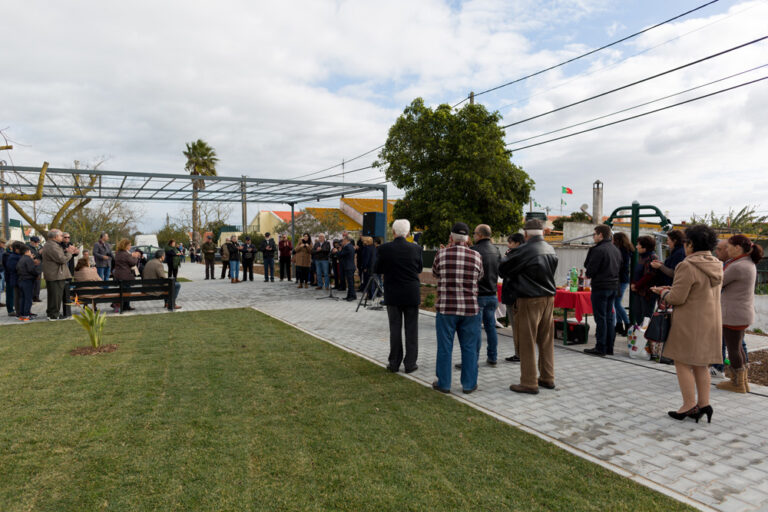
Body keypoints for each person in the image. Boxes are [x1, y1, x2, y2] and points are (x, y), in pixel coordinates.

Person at [650, 224, 722, 423]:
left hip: (689, 323)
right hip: (710, 321)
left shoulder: (687, 265)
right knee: (701, 364)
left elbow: (677, 298)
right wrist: (671, 289)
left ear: (690, 244)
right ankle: (704, 403)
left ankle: (688, 405)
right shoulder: (717, 264)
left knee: (681, 362)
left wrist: (663, 292)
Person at [498, 219, 558, 394]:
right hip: (548, 298)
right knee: (546, 340)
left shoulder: (523, 250)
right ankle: (547, 377)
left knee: (527, 341)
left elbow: (503, 269)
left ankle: (529, 382)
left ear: (525, 234)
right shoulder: (550, 248)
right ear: (543, 232)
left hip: (529, 299)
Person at [431, 222, 484, 394]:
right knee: (469, 347)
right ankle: (469, 384)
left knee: (445, 347)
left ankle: (444, 384)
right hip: (470, 309)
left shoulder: (441, 254)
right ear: (468, 238)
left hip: (447, 308)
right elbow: (480, 276)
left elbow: (435, 273)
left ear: (451, 237)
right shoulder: (476, 256)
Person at [374, 219, 423, 373]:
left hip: (393, 293)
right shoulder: (416, 249)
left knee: (395, 329)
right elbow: (420, 269)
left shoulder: (384, 248)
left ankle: (394, 362)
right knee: (411, 329)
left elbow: (377, 268)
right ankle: (410, 364)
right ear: (408, 233)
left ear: (393, 232)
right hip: (411, 292)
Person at [715, 235, 763, 393]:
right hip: (741, 313)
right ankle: (742, 382)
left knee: (733, 349)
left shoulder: (738, 266)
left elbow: (717, 282)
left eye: (728, 247)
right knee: (738, 347)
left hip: (733, 314)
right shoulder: (747, 262)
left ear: (738, 248)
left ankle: (737, 383)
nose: (726, 250)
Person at [583, 224, 622, 357]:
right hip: (613, 287)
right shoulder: (615, 249)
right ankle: (609, 347)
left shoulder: (598, 250)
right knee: (609, 317)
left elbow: (590, 270)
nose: (593, 237)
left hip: (601, 287)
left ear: (600, 235)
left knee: (601, 318)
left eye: (594, 234)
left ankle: (600, 347)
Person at [465, 224, 502, 367]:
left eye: (474, 233)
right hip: (492, 293)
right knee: (490, 327)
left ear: (479, 235)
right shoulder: (496, 250)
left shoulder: (474, 251)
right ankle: (493, 357)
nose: (473, 236)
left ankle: (472, 359)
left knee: (475, 329)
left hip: (478, 294)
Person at [41, 229, 77, 321]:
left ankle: (52, 313)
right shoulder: (52, 246)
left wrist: (67, 251)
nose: (63, 237)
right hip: (55, 274)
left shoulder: (51, 245)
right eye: (61, 235)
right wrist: (69, 252)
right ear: (55, 237)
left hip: (55, 273)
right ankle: (54, 315)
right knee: (56, 296)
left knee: (54, 295)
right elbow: (62, 259)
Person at [502, 233, 525, 362]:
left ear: (517, 243)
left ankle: (519, 354)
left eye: (510, 242)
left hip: (513, 295)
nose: (508, 245)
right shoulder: (526, 253)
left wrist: (505, 258)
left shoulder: (514, 255)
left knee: (516, 327)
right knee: (519, 327)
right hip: (520, 295)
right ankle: (520, 353)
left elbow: (503, 271)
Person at [630, 235, 659, 325]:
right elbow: (638, 272)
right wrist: (633, 284)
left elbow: (649, 275)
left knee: (646, 317)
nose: (636, 246)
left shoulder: (652, 257)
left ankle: (646, 338)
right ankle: (640, 336)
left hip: (647, 293)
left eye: (638, 244)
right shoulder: (642, 256)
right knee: (638, 315)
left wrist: (636, 285)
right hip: (639, 291)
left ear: (645, 247)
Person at [612, 232, 634, 336]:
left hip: (621, 279)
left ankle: (628, 323)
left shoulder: (622, 251)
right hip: (622, 279)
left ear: (617, 240)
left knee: (616, 303)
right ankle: (619, 325)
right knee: (617, 303)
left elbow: (620, 266)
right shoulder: (626, 250)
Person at [113, 238, 140, 312]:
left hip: (118, 275)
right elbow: (133, 263)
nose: (130, 247)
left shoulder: (118, 253)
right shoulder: (126, 254)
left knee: (124, 290)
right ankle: (119, 304)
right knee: (127, 290)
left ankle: (125, 305)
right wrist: (136, 257)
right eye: (129, 245)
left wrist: (131, 255)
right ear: (126, 245)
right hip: (125, 275)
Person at [16, 246, 42, 322]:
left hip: (21, 280)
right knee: (28, 298)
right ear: (27, 251)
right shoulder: (28, 259)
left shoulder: (21, 259)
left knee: (22, 298)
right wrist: (37, 274)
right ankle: (26, 315)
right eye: (30, 251)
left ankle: (22, 314)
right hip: (27, 280)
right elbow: (31, 269)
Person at [60, 232, 79, 319]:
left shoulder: (70, 244)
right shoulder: (59, 245)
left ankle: (69, 298)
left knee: (70, 282)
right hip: (62, 267)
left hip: (70, 266)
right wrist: (66, 251)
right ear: (62, 237)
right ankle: (64, 298)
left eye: (68, 237)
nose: (67, 239)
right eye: (65, 237)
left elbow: (74, 254)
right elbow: (59, 255)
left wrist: (76, 251)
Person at [4, 242, 22, 316]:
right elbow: (8, 267)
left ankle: (14, 307)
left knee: (13, 293)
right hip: (9, 276)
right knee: (10, 294)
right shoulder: (6, 255)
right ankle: (10, 310)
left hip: (12, 276)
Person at [339, 235, 357, 301]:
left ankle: (351, 296)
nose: (342, 242)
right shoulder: (349, 246)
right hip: (349, 266)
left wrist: (339, 251)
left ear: (347, 240)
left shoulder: (347, 247)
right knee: (350, 282)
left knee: (350, 282)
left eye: (343, 240)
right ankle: (351, 295)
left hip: (349, 266)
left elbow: (341, 254)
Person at [27, 236, 43, 302]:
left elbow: (42, 257)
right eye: (35, 242)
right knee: (31, 284)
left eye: (38, 242)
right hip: (32, 268)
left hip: (39, 268)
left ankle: (36, 297)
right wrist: (38, 253)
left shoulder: (40, 247)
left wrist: (42, 253)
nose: (37, 243)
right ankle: (30, 297)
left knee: (38, 283)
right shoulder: (28, 248)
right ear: (31, 241)